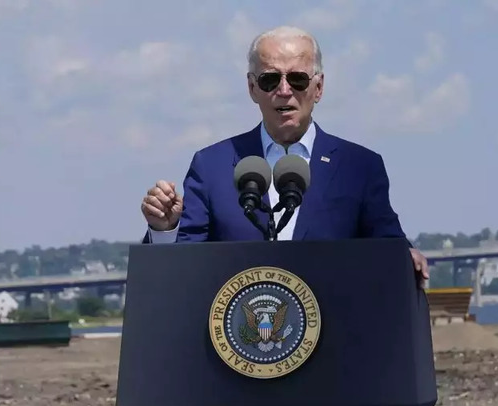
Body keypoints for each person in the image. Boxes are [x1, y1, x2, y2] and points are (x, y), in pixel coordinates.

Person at [139, 25, 429, 283]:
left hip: (335, 336)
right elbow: (183, 264)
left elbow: (387, 241)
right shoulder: (211, 165)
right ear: (252, 88)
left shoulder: (360, 166)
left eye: (298, 79)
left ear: (319, 87)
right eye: (269, 80)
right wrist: (165, 229)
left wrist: (406, 256)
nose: (284, 90)